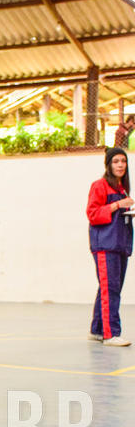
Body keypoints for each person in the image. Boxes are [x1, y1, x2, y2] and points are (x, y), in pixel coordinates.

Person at [87, 146, 134, 346]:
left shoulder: (121, 188)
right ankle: (110, 333)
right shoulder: (99, 186)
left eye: (123, 161)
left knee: (109, 288)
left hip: (119, 243)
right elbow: (93, 214)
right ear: (108, 164)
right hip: (106, 245)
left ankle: (97, 329)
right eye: (116, 161)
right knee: (111, 289)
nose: (120, 165)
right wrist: (117, 205)